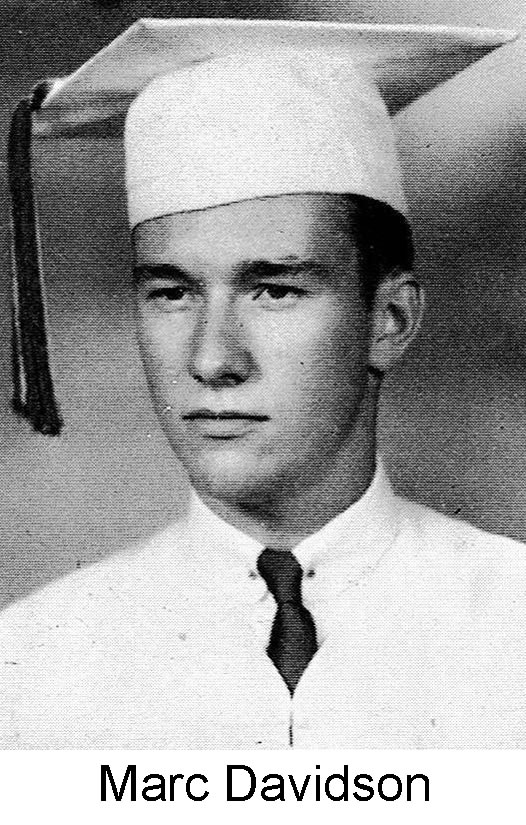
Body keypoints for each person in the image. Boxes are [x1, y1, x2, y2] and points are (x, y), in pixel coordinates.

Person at [1, 18, 525, 749]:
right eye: (172, 293)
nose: (213, 358)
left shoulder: (512, 627)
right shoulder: (32, 665)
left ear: (390, 320)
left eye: (275, 291)